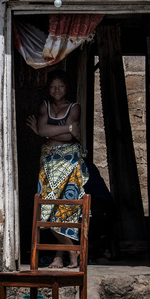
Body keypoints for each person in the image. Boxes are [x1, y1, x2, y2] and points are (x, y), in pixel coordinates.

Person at [25, 70, 89, 268]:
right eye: (53, 87)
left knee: (65, 208)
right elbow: (51, 130)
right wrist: (67, 128)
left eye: (60, 86)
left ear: (66, 88)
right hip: (49, 163)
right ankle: (71, 252)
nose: (57, 90)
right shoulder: (45, 106)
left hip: (70, 162)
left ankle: (60, 256)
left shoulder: (74, 107)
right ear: (48, 89)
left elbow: (68, 137)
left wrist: (45, 134)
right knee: (47, 208)